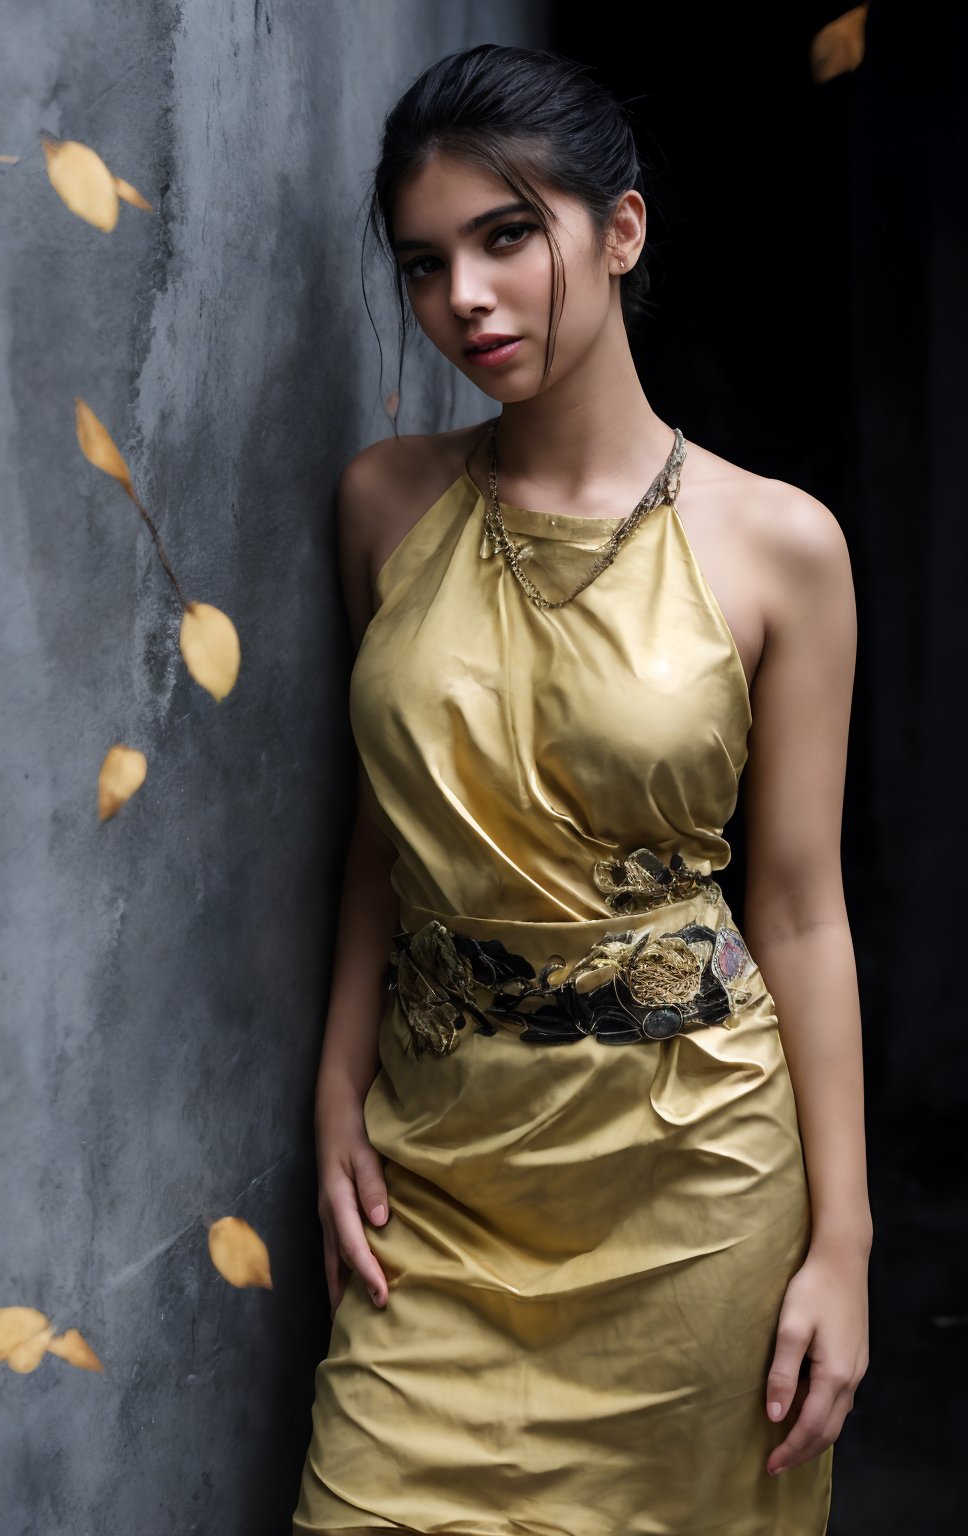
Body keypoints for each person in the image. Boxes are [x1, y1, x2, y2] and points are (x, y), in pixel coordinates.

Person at [292, 42, 871, 1536]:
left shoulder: (779, 544)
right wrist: (335, 1083)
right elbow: (385, 831)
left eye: (506, 236)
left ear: (618, 230)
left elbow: (801, 912)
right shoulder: (383, 503)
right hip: (441, 1186)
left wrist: (847, 1247)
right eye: (426, 263)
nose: (463, 299)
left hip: (694, 1193)